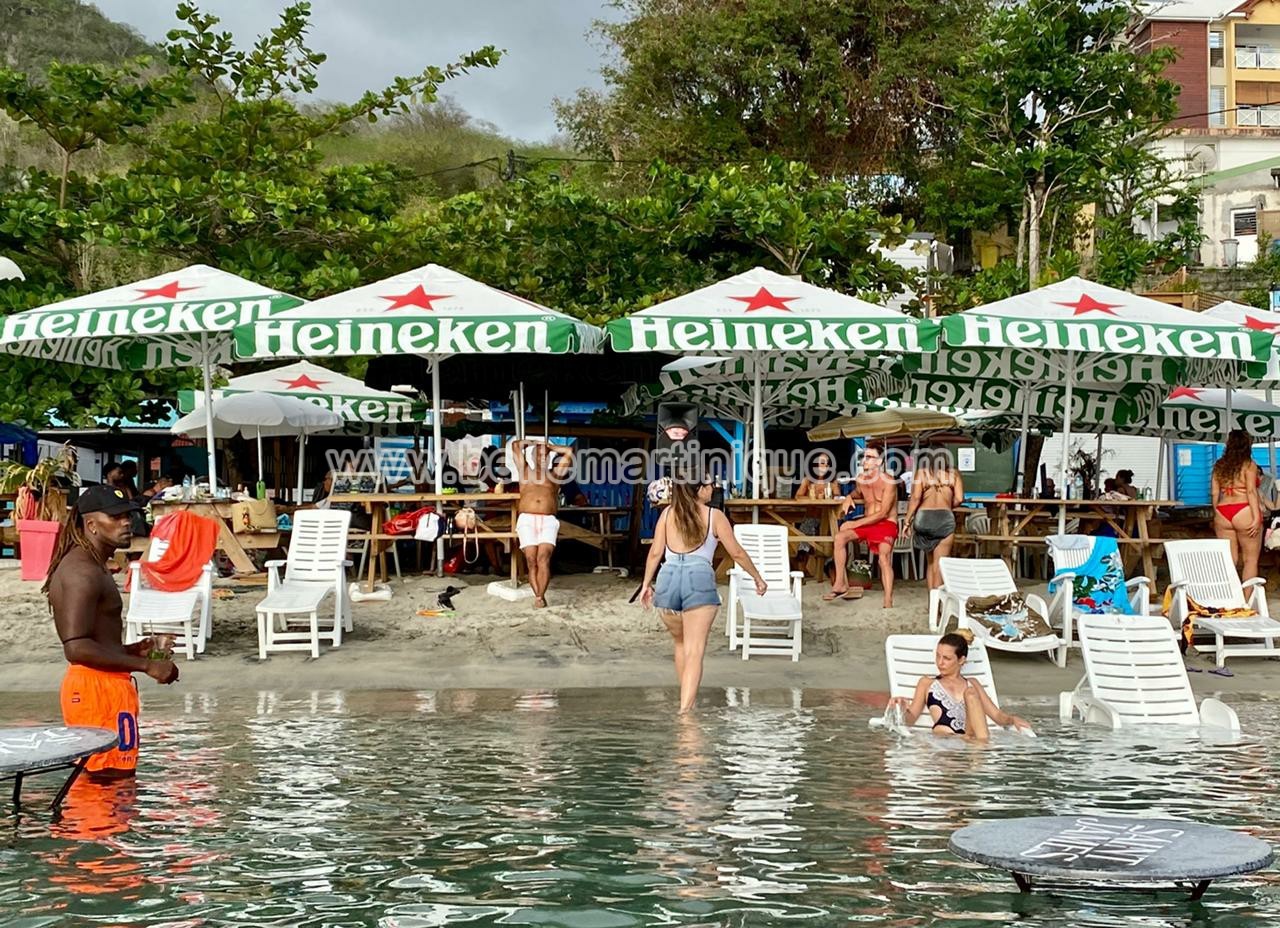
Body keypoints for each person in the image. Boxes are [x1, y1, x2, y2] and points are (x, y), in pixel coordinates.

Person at [42, 486, 180, 778]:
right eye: (115, 517)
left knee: (117, 780)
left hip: (105, 685)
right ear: (91, 524)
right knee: (106, 779)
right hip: (95, 689)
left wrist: (134, 650)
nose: (126, 522)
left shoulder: (93, 565)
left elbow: (93, 640)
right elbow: (76, 647)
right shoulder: (81, 571)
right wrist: (146, 665)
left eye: (128, 515)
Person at [639, 473, 768, 713]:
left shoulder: (667, 515)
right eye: (710, 484)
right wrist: (757, 578)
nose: (714, 487)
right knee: (695, 651)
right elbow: (736, 553)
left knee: (680, 644)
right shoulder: (714, 516)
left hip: (668, 578)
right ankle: (685, 713)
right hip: (698, 578)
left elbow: (656, 552)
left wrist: (646, 584)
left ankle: (687, 700)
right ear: (698, 489)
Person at [888, 630, 1033, 741]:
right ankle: (983, 755)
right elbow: (910, 720)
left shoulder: (973, 684)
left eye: (946, 658)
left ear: (961, 660)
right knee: (970, 696)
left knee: (970, 693)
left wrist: (1013, 719)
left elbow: (997, 716)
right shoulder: (927, 684)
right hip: (945, 744)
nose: (940, 662)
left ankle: (982, 751)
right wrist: (900, 709)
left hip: (970, 739)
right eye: (938, 656)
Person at [827, 445, 899, 607]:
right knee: (840, 537)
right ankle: (840, 583)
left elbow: (883, 513)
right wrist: (848, 497)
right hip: (868, 523)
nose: (864, 460)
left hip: (886, 523)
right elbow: (856, 493)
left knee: (884, 558)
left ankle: (888, 599)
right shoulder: (861, 479)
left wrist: (854, 523)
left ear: (879, 462)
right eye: (863, 457)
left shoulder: (889, 481)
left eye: (869, 457)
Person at [512, 439, 574, 607]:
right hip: (527, 519)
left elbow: (569, 451)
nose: (542, 458)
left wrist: (549, 447)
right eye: (539, 455)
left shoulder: (555, 474)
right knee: (531, 560)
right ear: (532, 457)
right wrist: (533, 442)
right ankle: (537, 596)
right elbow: (515, 446)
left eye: (546, 455)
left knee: (543, 558)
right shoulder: (524, 470)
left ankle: (540, 596)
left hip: (548, 520)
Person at [902, 445, 964, 590]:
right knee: (940, 564)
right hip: (944, 519)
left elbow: (915, 498)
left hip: (924, 519)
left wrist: (907, 522)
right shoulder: (953, 474)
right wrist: (948, 504)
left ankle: (932, 600)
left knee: (930, 563)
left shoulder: (921, 473)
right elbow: (959, 498)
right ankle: (938, 601)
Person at [1212, 428, 1263, 580]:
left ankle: (1229, 593)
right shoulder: (1249, 465)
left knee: (1228, 560)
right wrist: (1256, 518)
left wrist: (1216, 512)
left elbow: (1214, 492)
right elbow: (1251, 491)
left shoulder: (1219, 465)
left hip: (1222, 512)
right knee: (1250, 560)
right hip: (1243, 510)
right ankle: (1247, 595)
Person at [793, 452, 836, 572]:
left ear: (828, 466)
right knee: (807, 529)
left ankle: (829, 568)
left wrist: (827, 497)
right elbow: (798, 496)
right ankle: (801, 570)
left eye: (823, 463)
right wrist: (813, 497)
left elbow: (838, 497)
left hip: (827, 520)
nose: (820, 466)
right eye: (817, 464)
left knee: (830, 540)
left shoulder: (832, 483)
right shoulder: (807, 481)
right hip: (811, 518)